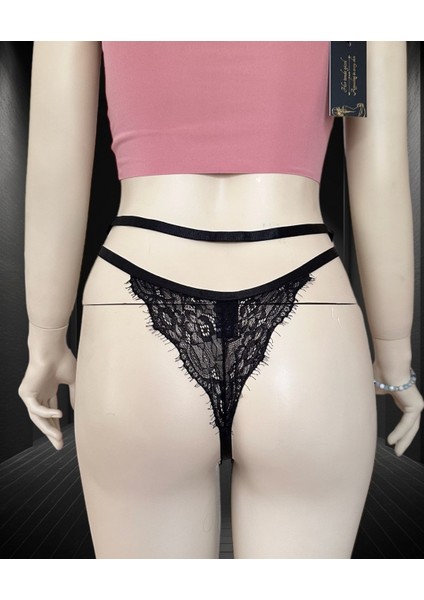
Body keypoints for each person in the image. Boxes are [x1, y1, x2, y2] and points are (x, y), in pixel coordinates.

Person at [18, 41, 424, 559]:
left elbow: (55, 156)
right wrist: (394, 356)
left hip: (134, 303)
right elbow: (379, 168)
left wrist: (46, 337)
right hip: (307, 311)